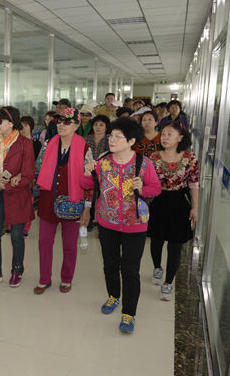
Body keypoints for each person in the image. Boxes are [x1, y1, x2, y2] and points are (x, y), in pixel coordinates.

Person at [81, 117, 161, 333]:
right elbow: (87, 185)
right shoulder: (102, 161)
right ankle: (113, 295)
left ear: (131, 141)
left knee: (130, 269)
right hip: (107, 222)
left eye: (118, 137)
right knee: (110, 264)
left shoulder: (143, 163)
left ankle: (129, 312)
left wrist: (142, 188)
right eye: (111, 135)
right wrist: (87, 172)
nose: (112, 140)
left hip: (135, 224)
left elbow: (155, 188)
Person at [35, 107, 92, 294]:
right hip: (48, 199)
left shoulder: (85, 148)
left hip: (73, 202)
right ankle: (44, 279)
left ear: (76, 125)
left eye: (67, 122)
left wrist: (87, 208)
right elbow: (38, 168)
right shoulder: (48, 144)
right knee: (44, 242)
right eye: (59, 121)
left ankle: (67, 278)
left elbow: (90, 182)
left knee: (69, 245)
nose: (61, 125)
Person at [0, 106, 36, 288]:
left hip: (16, 196)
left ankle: (17, 270)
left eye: (0, 121)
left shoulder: (24, 143)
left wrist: (8, 185)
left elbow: (28, 174)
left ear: (11, 123)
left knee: (16, 236)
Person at [147, 121, 199, 301]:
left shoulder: (190, 158)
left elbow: (194, 183)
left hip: (180, 203)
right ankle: (157, 268)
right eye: (163, 134)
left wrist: (195, 207)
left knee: (175, 245)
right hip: (158, 201)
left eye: (170, 134)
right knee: (156, 240)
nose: (165, 137)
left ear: (180, 137)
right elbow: (148, 182)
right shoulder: (154, 157)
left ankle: (168, 282)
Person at [84, 114, 111, 230]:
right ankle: (89, 220)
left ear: (106, 127)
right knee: (90, 197)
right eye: (95, 125)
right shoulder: (87, 139)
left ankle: (102, 222)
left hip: (105, 173)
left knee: (103, 198)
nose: (98, 127)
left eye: (101, 125)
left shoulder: (110, 139)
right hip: (89, 172)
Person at [19, 116, 42, 237]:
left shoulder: (36, 144)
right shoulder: (15, 143)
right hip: (16, 177)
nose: (23, 129)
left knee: (28, 203)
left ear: (31, 127)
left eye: (26, 126)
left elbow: (38, 163)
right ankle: (13, 225)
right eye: (21, 126)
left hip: (30, 177)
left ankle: (25, 228)